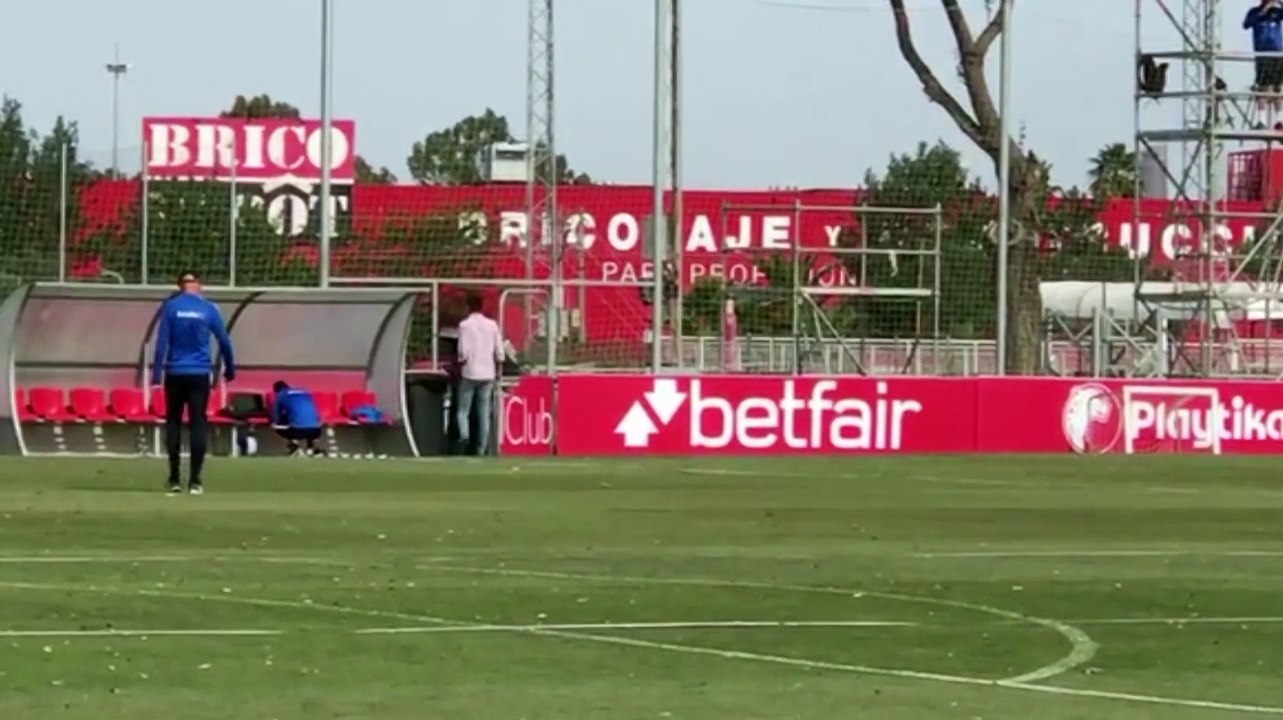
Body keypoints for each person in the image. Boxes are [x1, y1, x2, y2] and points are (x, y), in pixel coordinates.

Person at [151, 270, 235, 495]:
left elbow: (161, 343)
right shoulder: (208, 308)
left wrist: (156, 375)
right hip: (199, 373)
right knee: (198, 423)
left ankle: (174, 478)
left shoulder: (171, 307)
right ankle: (196, 481)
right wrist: (230, 369)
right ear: (199, 285)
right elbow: (224, 341)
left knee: (174, 423)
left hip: (176, 372)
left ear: (179, 286)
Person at [454, 291, 504, 456]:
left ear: (468, 306)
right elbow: (500, 352)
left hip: (470, 371)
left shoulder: (465, 325)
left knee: (463, 409)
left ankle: (464, 435)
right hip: (487, 372)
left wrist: (458, 363)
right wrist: (498, 368)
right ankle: (481, 448)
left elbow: (463, 352)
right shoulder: (492, 325)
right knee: (484, 412)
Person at [270, 380, 325, 457]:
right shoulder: (305, 392)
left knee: (277, 426)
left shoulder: (280, 394)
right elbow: (314, 413)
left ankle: (294, 447)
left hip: (296, 431)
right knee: (307, 422)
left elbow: (274, 415)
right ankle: (313, 448)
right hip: (316, 430)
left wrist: (275, 422)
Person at [1246, 0, 1283, 110]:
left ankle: (1279, 119)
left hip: (1277, 54)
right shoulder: (1254, 12)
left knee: (1277, 87)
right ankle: (1261, 119)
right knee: (1262, 87)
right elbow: (1247, 24)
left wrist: (1278, 3)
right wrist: (1264, 10)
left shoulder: (1277, 12)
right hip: (1262, 55)